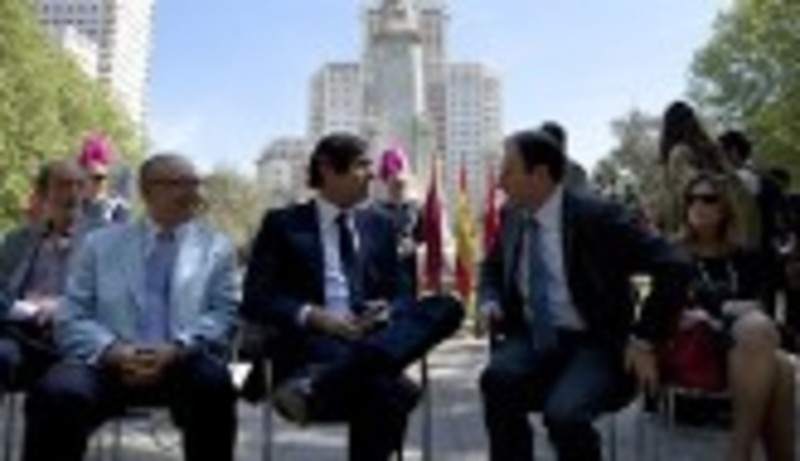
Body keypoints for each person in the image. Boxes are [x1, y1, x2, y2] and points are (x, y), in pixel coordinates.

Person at [242, 132, 463, 461]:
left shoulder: (381, 225)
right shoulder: (283, 224)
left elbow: (402, 293)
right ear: (328, 168)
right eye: (362, 165)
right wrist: (314, 316)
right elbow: (256, 297)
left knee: (447, 307)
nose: (373, 175)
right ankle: (340, 373)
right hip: (312, 345)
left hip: (373, 337)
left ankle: (319, 385)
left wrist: (387, 310)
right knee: (386, 391)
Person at [479, 128, 691, 461]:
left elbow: (675, 264)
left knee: (564, 415)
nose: (499, 183)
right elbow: (492, 266)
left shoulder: (598, 218)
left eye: (508, 171)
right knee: (497, 380)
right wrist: (490, 300)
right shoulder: (512, 215)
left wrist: (645, 338)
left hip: (597, 342)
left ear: (540, 174)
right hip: (533, 338)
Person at [22, 154, 239, 461]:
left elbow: (224, 313)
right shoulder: (100, 245)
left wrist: (177, 348)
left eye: (195, 183)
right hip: (105, 361)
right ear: (148, 191)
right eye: (180, 184)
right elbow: (73, 314)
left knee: (215, 386)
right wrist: (113, 351)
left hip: (182, 359)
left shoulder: (216, 247)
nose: (193, 192)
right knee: (55, 392)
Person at [670, 172, 794, 461]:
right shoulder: (672, 254)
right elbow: (669, 308)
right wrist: (727, 311)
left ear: (726, 207)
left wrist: (721, 312)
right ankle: (740, 453)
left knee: (780, 362)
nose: (698, 206)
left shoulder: (746, 257)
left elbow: (762, 308)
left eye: (709, 199)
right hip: (694, 350)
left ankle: (740, 453)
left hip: (745, 351)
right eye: (691, 199)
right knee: (776, 359)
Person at [0, 160, 85, 396]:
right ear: (43, 194)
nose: (74, 193)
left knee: (60, 390)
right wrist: (27, 309)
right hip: (19, 336)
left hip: (75, 343)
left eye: (79, 185)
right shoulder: (17, 240)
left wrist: (59, 306)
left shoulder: (103, 242)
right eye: (64, 185)